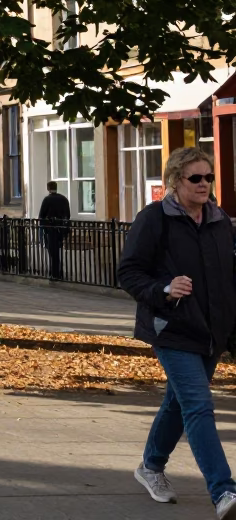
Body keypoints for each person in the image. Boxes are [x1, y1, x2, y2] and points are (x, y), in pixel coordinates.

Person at [118, 147, 236, 516]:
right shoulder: (155, 219)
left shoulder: (219, 221)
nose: (204, 185)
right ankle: (224, 492)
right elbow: (129, 272)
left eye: (209, 177)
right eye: (195, 178)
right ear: (174, 181)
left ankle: (150, 467)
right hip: (172, 329)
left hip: (211, 332)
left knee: (178, 402)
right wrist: (165, 290)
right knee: (199, 407)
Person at [39, 181, 71, 281]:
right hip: (61, 229)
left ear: (48, 188)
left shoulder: (47, 200)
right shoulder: (64, 199)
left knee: (52, 251)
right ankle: (58, 271)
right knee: (58, 250)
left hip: (50, 229)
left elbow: (41, 216)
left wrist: (43, 228)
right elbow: (68, 215)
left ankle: (55, 272)